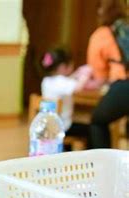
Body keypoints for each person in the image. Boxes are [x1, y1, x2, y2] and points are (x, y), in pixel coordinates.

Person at [86, 0, 129, 148]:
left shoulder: (102, 34)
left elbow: (100, 77)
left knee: (98, 121)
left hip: (124, 85)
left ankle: (103, 166)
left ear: (103, 11)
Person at [40, 48, 92, 145]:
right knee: (91, 130)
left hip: (49, 126)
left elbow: (66, 82)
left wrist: (76, 74)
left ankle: (66, 151)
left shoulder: (46, 81)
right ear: (63, 67)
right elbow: (78, 87)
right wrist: (86, 74)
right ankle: (91, 157)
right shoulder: (61, 81)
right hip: (63, 127)